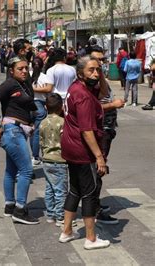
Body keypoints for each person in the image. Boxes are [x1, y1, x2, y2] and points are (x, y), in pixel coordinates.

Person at [59, 56, 110, 250]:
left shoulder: (76, 88)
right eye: (91, 70)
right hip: (82, 150)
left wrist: (99, 74)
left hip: (71, 147)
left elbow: (103, 90)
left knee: (75, 189)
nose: (96, 74)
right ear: (80, 73)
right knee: (89, 193)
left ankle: (67, 231)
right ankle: (91, 238)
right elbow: (87, 130)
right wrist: (99, 157)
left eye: (98, 69)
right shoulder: (83, 96)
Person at [0, 56, 39, 225]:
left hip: (20, 130)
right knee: (26, 171)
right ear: (11, 71)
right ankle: (20, 210)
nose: (24, 71)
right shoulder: (9, 84)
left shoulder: (24, 83)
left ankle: (10, 205)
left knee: (11, 170)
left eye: (26, 68)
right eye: (20, 69)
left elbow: (29, 103)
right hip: (12, 130)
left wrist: (31, 120)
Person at [89, 45, 124, 225]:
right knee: (98, 168)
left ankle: (94, 204)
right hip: (100, 129)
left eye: (102, 60)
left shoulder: (99, 78)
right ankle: (93, 209)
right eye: (97, 60)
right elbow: (90, 108)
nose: (100, 64)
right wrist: (113, 105)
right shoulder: (90, 82)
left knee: (98, 169)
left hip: (107, 128)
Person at [32, 48, 75, 166]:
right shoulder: (72, 69)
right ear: (64, 57)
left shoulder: (51, 70)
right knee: (68, 128)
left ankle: (55, 152)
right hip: (69, 100)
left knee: (54, 129)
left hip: (55, 102)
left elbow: (49, 88)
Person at [39, 93, 68, 227]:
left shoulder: (42, 123)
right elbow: (65, 141)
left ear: (45, 107)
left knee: (49, 188)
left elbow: (40, 141)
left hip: (46, 159)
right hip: (60, 160)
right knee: (60, 190)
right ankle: (60, 216)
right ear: (61, 107)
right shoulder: (63, 122)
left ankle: (50, 214)